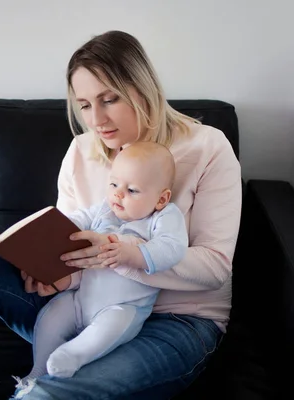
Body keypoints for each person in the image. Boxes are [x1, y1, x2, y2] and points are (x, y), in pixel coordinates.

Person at [0, 30, 242, 400]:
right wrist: (52, 274)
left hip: (176, 322)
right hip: (82, 305)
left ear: (143, 88)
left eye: (109, 100)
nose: (97, 120)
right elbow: (70, 243)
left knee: (45, 394)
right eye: (86, 105)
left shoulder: (207, 147)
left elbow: (215, 269)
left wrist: (118, 253)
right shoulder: (82, 151)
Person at [14, 141, 188, 398]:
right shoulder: (106, 208)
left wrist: (130, 253)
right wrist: (49, 230)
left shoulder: (163, 217)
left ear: (161, 198)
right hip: (79, 301)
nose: (118, 194)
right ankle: (38, 369)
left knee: (108, 329)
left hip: (123, 307)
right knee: (51, 315)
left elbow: (173, 249)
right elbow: (76, 221)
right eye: (114, 184)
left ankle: (72, 356)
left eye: (132, 190)